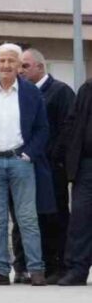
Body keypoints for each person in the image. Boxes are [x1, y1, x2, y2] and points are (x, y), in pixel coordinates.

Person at [0, 43, 54, 286]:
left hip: (21, 163)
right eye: (2, 61)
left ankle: (36, 270)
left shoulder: (30, 93)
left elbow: (42, 128)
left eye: (11, 61)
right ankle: (1, 271)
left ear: (19, 65)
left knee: (27, 218)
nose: (6, 65)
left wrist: (28, 155)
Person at [11, 48, 75, 283]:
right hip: (21, 165)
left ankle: (56, 265)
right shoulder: (19, 94)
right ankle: (23, 265)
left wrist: (53, 157)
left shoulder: (60, 92)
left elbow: (67, 128)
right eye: (19, 66)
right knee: (22, 217)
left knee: (53, 215)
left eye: (25, 66)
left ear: (40, 66)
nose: (21, 70)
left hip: (49, 167)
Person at [57, 78, 92, 285]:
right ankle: (77, 269)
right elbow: (72, 122)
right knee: (81, 219)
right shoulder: (87, 88)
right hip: (87, 166)